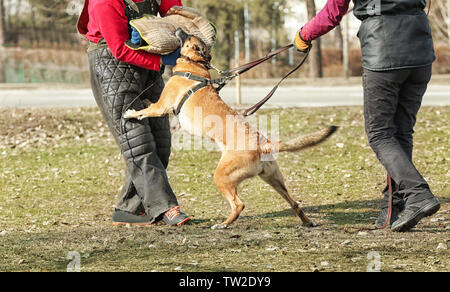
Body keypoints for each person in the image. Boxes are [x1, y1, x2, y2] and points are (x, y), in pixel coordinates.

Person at [294, 0, 440, 232]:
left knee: (380, 134)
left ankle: (418, 194)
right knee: (400, 133)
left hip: (384, 51)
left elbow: (333, 12)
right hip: (420, 50)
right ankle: (392, 208)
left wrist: (304, 35)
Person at [77, 0, 191, 226]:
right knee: (137, 140)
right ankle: (165, 207)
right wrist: (161, 59)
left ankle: (130, 209)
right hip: (110, 62)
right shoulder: (105, 2)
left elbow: (176, 13)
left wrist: (193, 34)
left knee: (161, 141)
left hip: (146, 61)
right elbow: (119, 49)